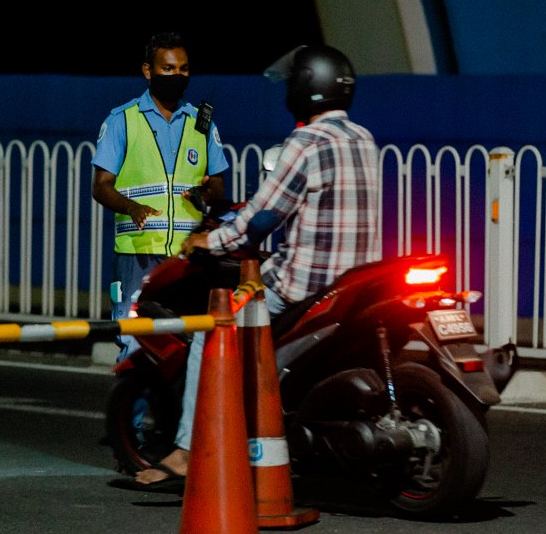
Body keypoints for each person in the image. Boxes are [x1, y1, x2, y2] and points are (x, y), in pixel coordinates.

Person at [132, 44, 381, 489]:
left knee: (213, 326)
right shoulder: (363, 138)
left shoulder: (304, 144)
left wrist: (208, 239)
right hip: (356, 282)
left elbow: (259, 221)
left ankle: (188, 449)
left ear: (305, 89)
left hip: (302, 283)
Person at [92, 31, 229, 486]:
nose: (177, 76)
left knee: (187, 350)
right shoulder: (123, 121)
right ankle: (129, 445)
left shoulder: (202, 121)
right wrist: (131, 207)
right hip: (138, 253)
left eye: (184, 69)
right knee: (136, 345)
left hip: (186, 260)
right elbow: (101, 184)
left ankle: (169, 436)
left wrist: (206, 190)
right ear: (148, 71)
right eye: (167, 69)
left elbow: (219, 187)